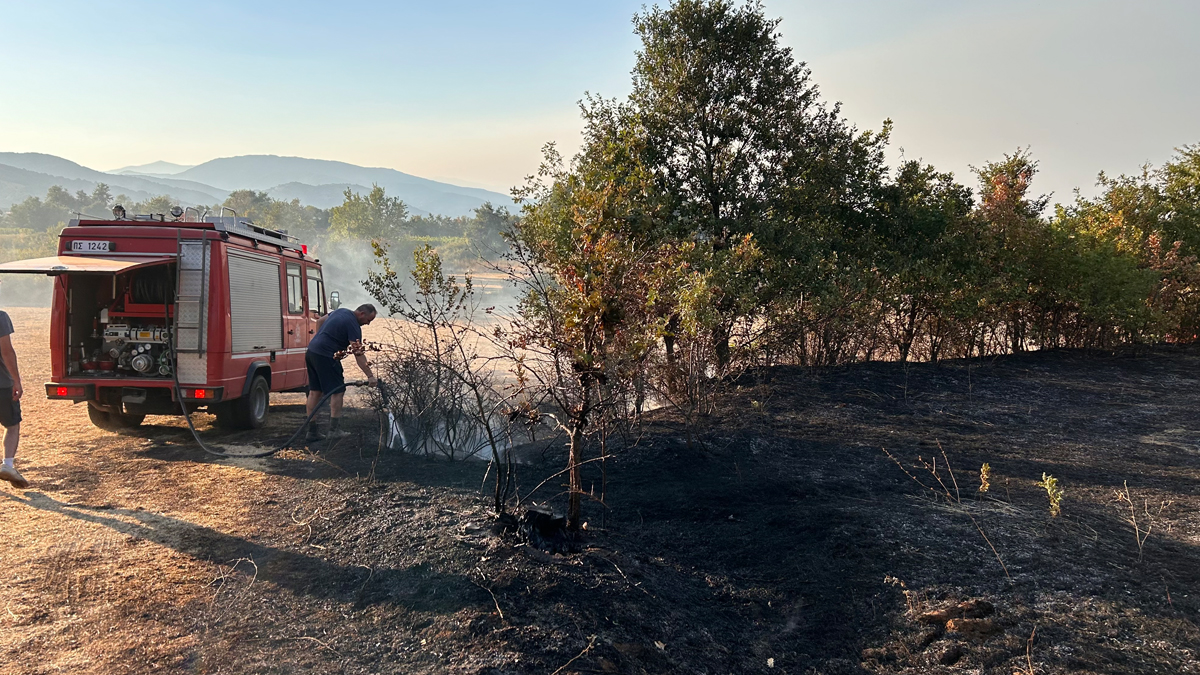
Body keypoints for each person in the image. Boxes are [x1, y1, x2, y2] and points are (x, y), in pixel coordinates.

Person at [304, 303, 378, 441]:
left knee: (315, 391)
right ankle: (334, 431)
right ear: (362, 314)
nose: (367, 324)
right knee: (338, 391)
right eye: (368, 320)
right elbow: (358, 353)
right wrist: (370, 376)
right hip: (326, 356)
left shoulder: (340, 311)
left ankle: (312, 432)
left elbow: (320, 321)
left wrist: (320, 339)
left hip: (312, 351)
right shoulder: (353, 325)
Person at [0, 310, 28, 489]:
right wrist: (16, 380)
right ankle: (7, 465)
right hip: (2, 384)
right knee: (11, 426)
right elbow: (7, 352)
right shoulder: (0, 317)